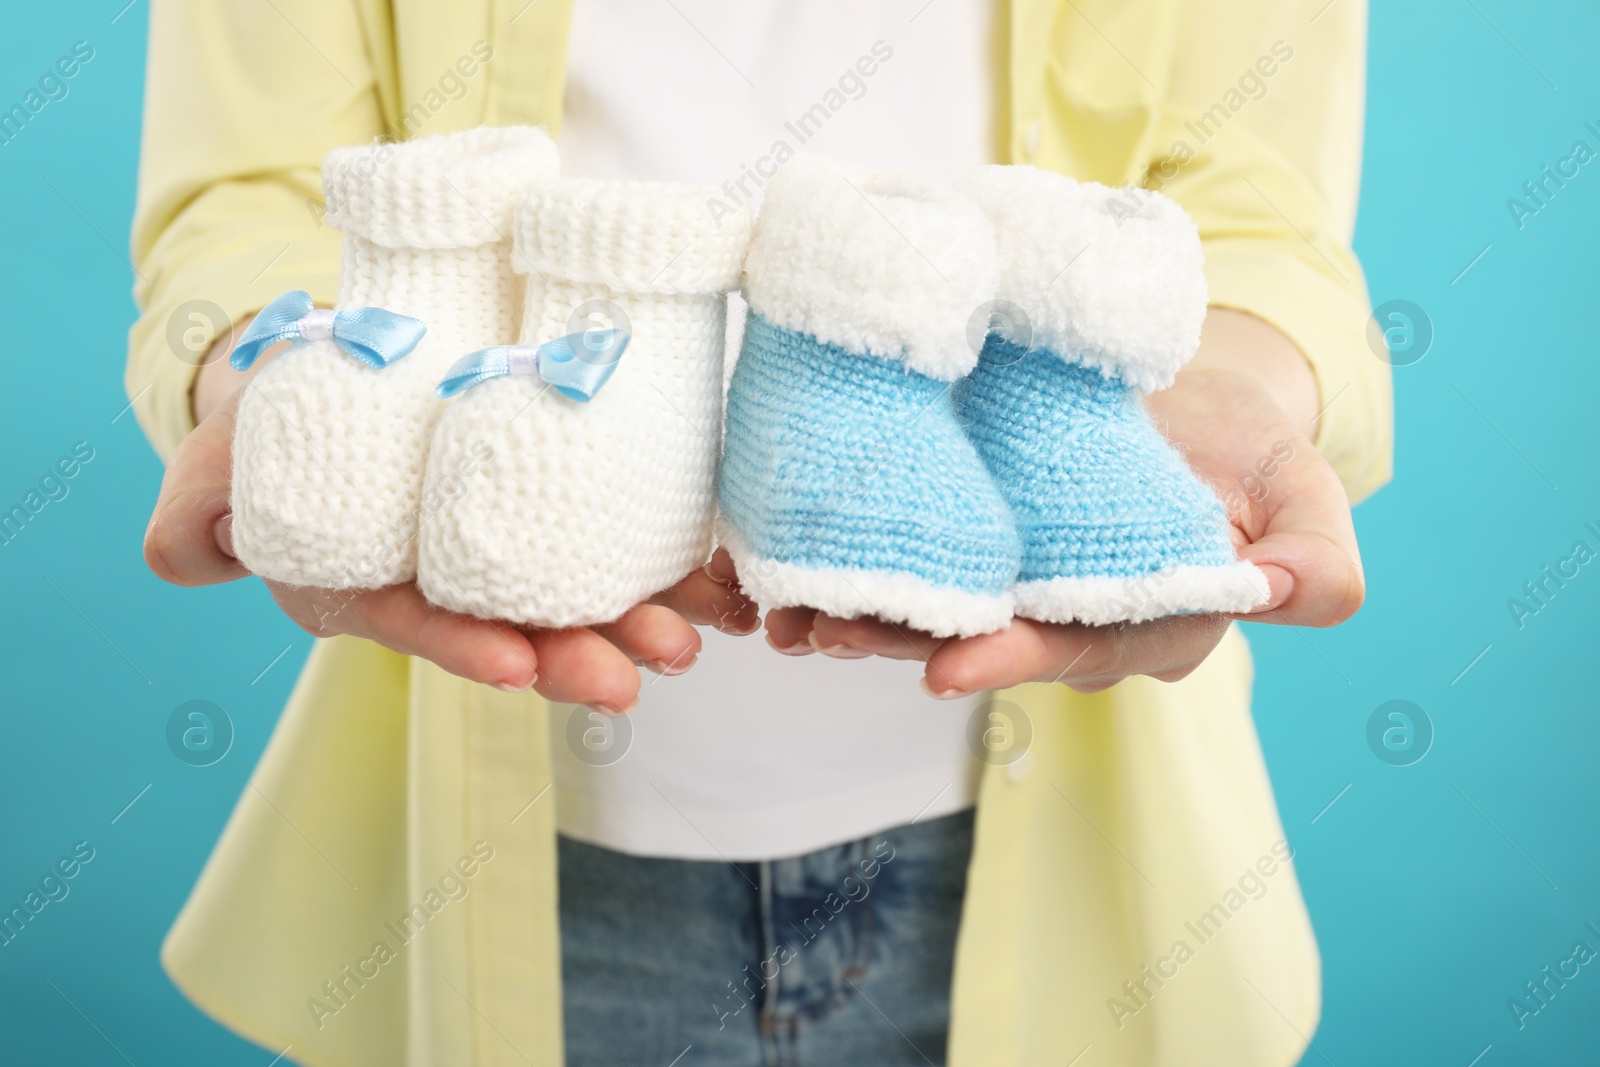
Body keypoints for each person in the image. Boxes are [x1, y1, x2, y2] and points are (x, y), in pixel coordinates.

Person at [130, 2, 1390, 1065]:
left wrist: (1236, 379)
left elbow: (1256, 207)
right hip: (524, 842)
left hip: (1073, 844)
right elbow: (247, 180)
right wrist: (259, 381)